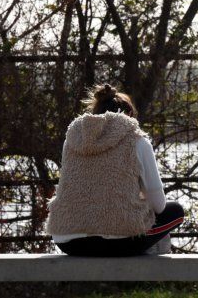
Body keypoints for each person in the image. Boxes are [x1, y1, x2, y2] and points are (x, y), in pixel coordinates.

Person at [46, 83, 185, 256]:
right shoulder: (137, 140)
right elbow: (158, 204)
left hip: (68, 242)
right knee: (176, 211)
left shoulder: (72, 141)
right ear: (129, 117)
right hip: (120, 242)